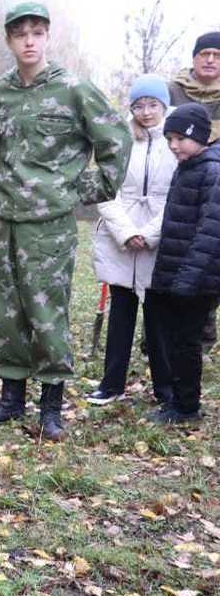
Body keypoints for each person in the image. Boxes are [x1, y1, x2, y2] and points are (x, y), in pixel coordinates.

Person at [0, 2, 131, 441]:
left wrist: (84, 190)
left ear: (47, 37)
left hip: (49, 224)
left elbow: (115, 138)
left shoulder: (74, 90)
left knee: (46, 310)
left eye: (37, 33)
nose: (29, 41)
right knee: (6, 311)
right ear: (9, 41)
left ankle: (51, 407)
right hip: (5, 218)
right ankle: (11, 399)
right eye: (20, 34)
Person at [86, 74, 175, 406]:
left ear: (163, 106)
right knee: (121, 313)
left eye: (153, 104)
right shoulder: (119, 140)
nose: (146, 112)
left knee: (158, 318)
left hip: (158, 240)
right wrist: (126, 232)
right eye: (139, 105)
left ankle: (165, 387)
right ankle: (112, 384)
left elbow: (175, 195)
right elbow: (106, 191)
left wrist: (150, 234)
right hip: (120, 239)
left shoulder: (174, 141)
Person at [144, 103, 220, 424]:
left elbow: (210, 231)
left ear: (199, 137)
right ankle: (175, 398)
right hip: (178, 274)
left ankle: (187, 407)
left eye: (180, 139)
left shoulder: (212, 172)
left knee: (187, 342)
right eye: (169, 140)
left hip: (198, 280)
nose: (173, 146)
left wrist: (188, 279)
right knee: (175, 339)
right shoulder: (189, 168)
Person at [168, 31, 220, 349]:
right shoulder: (173, 90)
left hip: (215, 181)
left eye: (217, 55)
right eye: (205, 54)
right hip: (175, 181)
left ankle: (204, 333)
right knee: (174, 253)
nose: (211, 60)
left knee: (208, 254)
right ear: (194, 58)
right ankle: (157, 337)